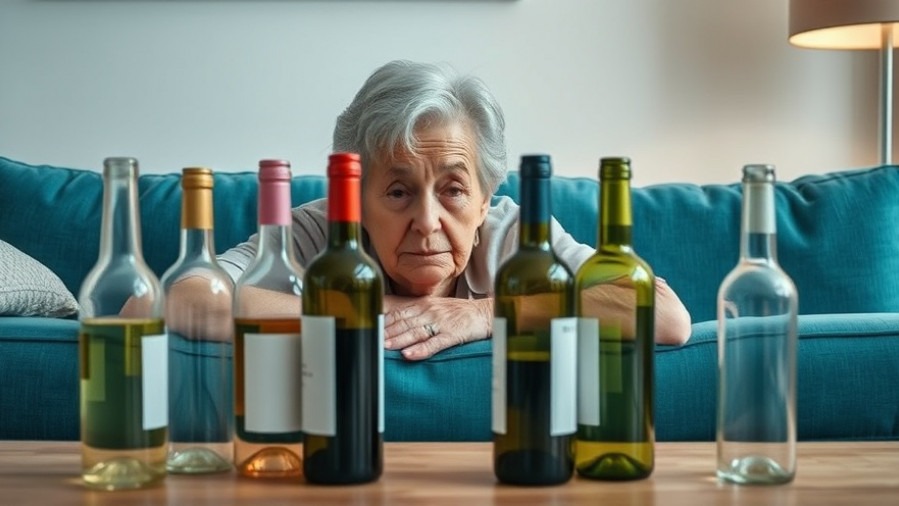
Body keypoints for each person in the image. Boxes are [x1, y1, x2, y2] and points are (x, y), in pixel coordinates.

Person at [216, 60, 692, 360]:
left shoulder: (517, 237)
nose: (427, 221)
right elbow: (169, 298)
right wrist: (374, 312)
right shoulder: (317, 233)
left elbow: (667, 316)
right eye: (399, 192)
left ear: (485, 200)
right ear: (358, 201)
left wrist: (488, 315)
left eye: (453, 190)